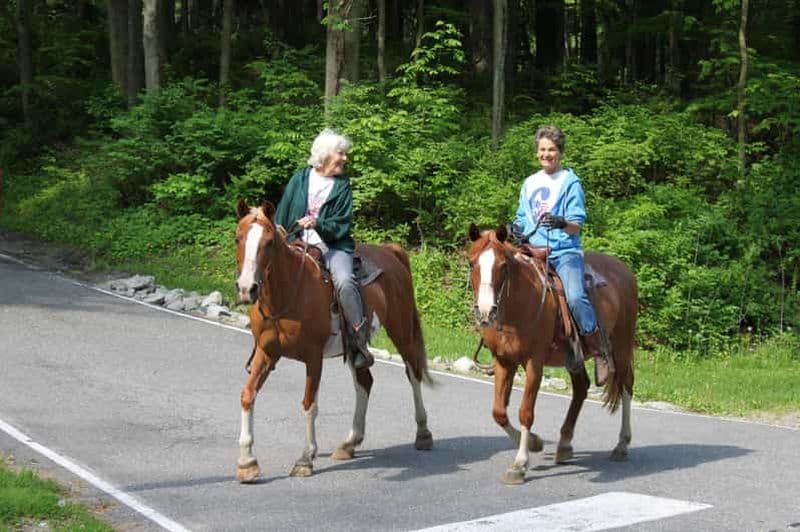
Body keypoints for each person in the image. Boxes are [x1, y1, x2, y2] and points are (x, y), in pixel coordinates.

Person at [512, 125, 613, 386]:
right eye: (542, 150)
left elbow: (576, 224)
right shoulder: (530, 183)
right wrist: (517, 228)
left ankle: (598, 348)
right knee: (504, 282)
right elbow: (522, 216)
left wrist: (561, 223)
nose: (546, 154)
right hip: (532, 251)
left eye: (552, 150)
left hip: (563, 251)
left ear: (560, 153)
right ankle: (504, 349)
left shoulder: (570, 182)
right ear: (537, 152)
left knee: (576, 296)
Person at [274, 128, 374, 370]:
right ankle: (263, 336)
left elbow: (342, 224)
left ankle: (358, 343)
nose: (345, 158)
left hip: (332, 245)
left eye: (345, 154)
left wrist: (318, 223)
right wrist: (281, 233)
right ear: (326, 154)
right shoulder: (300, 178)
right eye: (341, 153)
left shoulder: (342, 186)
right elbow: (282, 214)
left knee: (345, 281)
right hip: (296, 241)